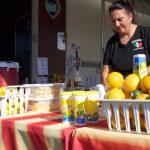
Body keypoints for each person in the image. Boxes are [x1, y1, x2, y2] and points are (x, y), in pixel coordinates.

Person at [102, 0, 150, 85]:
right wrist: (107, 88)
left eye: (120, 19)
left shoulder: (146, 34)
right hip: (121, 93)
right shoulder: (111, 43)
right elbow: (106, 72)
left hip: (145, 88)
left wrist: (143, 73)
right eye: (113, 21)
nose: (117, 24)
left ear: (130, 16)